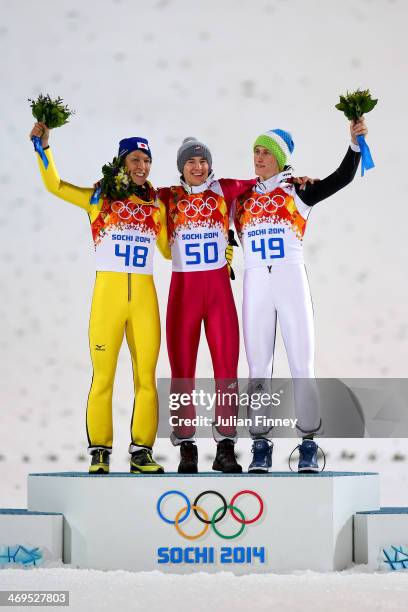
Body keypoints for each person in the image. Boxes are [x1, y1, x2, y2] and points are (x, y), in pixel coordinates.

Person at [30, 122, 170, 474]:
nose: (142, 167)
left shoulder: (158, 205)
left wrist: (222, 242)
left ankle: (141, 452)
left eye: (147, 161)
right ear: (122, 163)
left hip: (144, 301)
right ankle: (100, 452)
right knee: (103, 377)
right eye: (136, 160)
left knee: (146, 378)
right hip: (107, 301)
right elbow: (55, 185)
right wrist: (44, 148)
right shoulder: (99, 198)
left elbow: (168, 251)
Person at [233, 119, 368, 473]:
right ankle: (260, 445)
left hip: (291, 282)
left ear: (280, 158)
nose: (259, 158)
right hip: (256, 285)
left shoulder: (298, 191)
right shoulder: (240, 198)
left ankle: (308, 443)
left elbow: (341, 178)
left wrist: (354, 145)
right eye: (256, 151)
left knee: (301, 366)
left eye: (266, 153)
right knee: (258, 367)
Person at [158, 138, 256, 473]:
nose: (197, 167)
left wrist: (296, 180)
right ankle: (186, 446)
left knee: (226, 372)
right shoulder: (167, 197)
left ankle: (225, 446)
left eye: (202, 161)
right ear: (181, 167)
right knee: (181, 373)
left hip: (218, 296)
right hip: (183, 294)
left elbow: (266, 181)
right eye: (190, 162)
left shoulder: (224, 189)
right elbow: (132, 194)